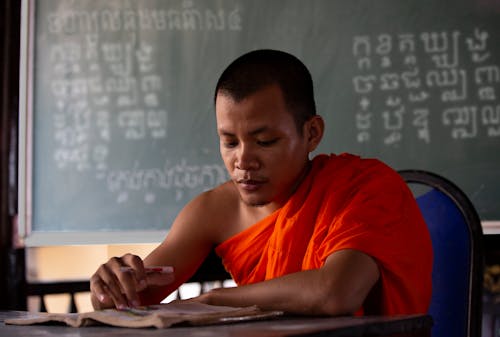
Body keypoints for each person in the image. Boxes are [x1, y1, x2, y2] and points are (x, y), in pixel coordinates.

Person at [90, 49, 433, 316]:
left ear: (312, 133)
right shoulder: (215, 210)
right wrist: (110, 287)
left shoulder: (365, 187)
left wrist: (215, 301)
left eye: (265, 141)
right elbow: (129, 302)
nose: (243, 160)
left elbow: (335, 292)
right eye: (229, 142)